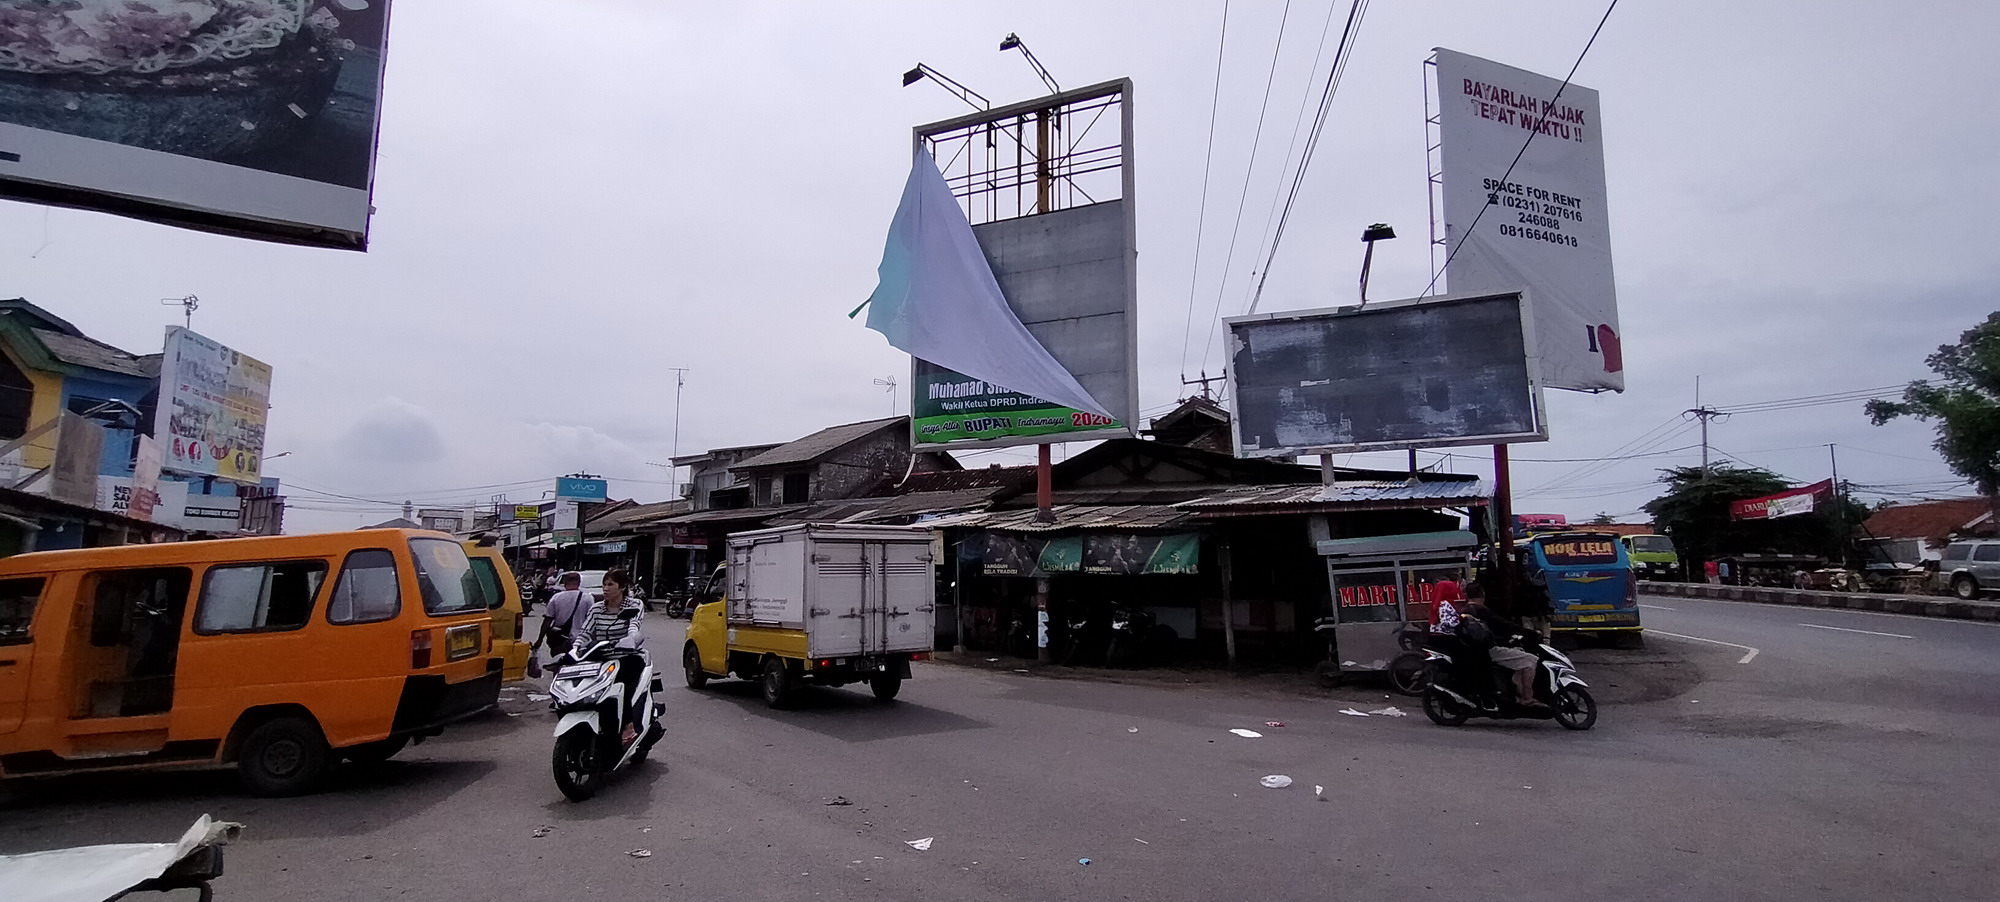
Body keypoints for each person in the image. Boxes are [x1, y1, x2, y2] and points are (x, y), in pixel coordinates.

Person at [577, 569, 648, 745]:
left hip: (627, 657)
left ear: (622, 587)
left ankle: (628, 726)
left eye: (610, 584)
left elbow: (634, 626)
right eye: (604, 584)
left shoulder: (634, 605)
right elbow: (586, 632)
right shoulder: (596, 608)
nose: (605, 588)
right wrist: (576, 647)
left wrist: (630, 639)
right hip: (602, 658)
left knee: (620, 686)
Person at [1462, 585, 1544, 708]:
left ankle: (1516, 691)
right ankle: (1527, 698)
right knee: (1531, 660)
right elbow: (1503, 625)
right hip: (1489, 650)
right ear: (1483, 594)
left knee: (1518, 656)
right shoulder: (1481, 610)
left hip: (1477, 650)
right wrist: (1531, 633)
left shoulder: (1465, 610)